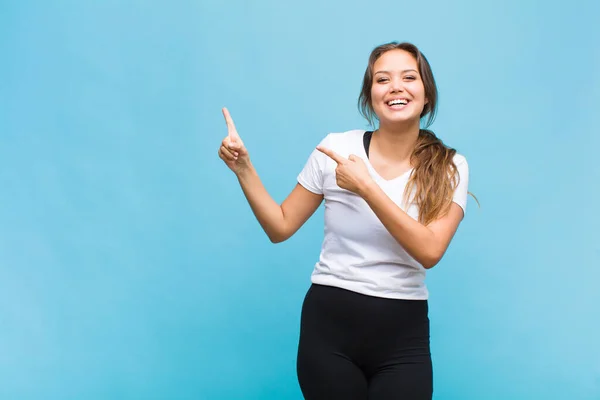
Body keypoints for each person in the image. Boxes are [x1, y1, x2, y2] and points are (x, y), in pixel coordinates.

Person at [218, 41, 470, 400]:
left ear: (427, 94)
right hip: (329, 332)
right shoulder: (335, 149)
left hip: (403, 338)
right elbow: (280, 226)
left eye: (409, 77)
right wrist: (243, 169)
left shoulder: (450, 166)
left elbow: (430, 250)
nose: (396, 86)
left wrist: (367, 187)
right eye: (383, 79)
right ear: (371, 97)